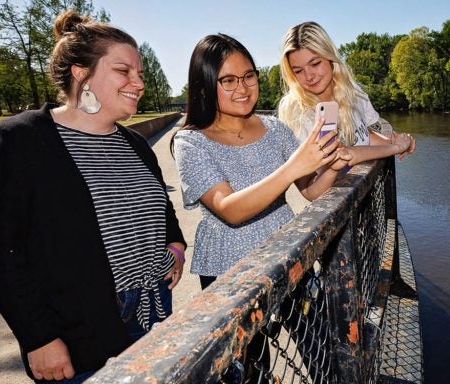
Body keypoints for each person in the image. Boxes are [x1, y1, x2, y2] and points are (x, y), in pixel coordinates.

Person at [0, 10, 186, 383]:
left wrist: (175, 245)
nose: (138, 83)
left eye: (140, 74)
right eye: (124, 71)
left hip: (154, 311)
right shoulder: (19, 140)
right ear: (81, 72)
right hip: (77, 333)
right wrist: (39, 337)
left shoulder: (136, 144)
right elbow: (1, 251)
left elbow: (161, 206)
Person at [172, 33, 349, 383]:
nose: (243, 87)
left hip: (290, 257)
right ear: (205, 86)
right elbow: (228, 208)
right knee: (251, 368)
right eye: (228, 80)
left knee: (320, 347)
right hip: (230, 272)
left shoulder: (276, 129)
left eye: (249, 75)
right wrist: (294, 166)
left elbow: (311, 190)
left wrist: (329, 160)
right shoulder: (190, 141)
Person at [277, 21, 416, 167]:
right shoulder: (295, 113)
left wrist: (399, 140)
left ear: (330, 58)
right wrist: (395, 147)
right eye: (298, 71)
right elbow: (340, 159)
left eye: (315, 63)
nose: (309, 76)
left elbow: (369, 134)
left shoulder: (352, 91)